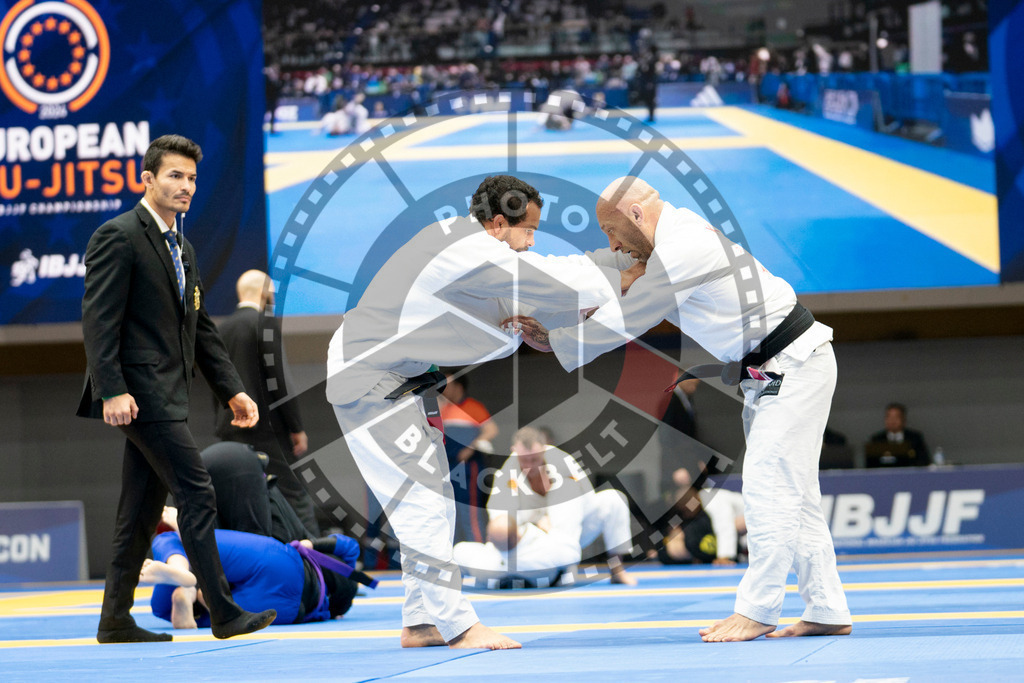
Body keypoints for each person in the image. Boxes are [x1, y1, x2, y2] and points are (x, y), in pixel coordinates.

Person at [507, 176, 852, 641]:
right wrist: (524, 273)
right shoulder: (661, 246)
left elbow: (634, 314)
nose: (612, 243)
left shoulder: (685, 245)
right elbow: (597, 273)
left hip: (794, 362)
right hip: (772, 371)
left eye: (612, 231)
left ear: (635, 215)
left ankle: (758, 609)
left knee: (769, 485)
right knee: (798, 497)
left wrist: (558, 341)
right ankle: (827, 608)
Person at [326, 175, 638, 650]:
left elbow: (517, 304)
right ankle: (458, 625)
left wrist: (526, 327)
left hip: (404, 384)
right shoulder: (462, 248)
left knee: (432, 502)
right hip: (368, 379)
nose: (531, 242)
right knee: (420, 502)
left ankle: (420, 621)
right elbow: (548, 281)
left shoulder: (470, 254)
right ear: (497, 224)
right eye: (527, 231)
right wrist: (626, 273)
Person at [77, 134, 276, 643]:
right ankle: (225, 612)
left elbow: (201, 328)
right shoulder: (118, 235)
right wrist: (111, 390)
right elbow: (99, 322)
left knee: (141, 510)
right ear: (147, 179)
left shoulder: (181, 246)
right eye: (174, 176)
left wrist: (232, 389)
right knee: (197, 490)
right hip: (139, 395)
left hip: (168, 395)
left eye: (191, 178)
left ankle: (115, 619)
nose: (186, 186)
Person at [454, 426, 637, 586]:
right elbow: (501, 524)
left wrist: (552, 517)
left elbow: (587, 499)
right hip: (531, 540)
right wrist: (534, 527)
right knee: (503, 529)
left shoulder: (563, 462)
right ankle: (559, 570)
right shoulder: (506, 474)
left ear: (544, 450)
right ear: (514, 451)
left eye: (534, 460)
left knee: (612, 498)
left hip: (573, 530)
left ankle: (617, 570)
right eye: (523, 460)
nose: (528, 466)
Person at [215, 269, 319, 534]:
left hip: (229, 430)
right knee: (295, 494)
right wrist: (296, 428)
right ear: (264, 292)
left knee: (243, 498)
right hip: (266, 429)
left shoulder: (220, 329)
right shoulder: (265, 323)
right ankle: (322, 564)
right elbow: (279, 380)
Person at [140, 524, 365, 630]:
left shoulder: (347, 566)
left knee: (175, 538)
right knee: (226, 618)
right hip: (293, 606)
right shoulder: (327, 610)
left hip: (283, 559)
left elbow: (349, 545)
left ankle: (178, 566)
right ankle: (195, 603)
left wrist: (313, 544)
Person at [439, 371, 499, 543]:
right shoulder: (443, 409)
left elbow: (491, 430)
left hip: (468, 468)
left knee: (470, 512)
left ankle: (478, 552)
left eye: (447, 384)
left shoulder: (474, 407)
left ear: (459, 386)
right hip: (447, 468)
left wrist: (471, 447)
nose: (442, 389)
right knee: (450, 512)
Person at [867, 402, 930, 467]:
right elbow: (870, 466)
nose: (892, 421)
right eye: (889, 417)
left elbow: (924, 461)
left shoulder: (915, 438)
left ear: (903, 419)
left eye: (896, 417)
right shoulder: (877, 439)